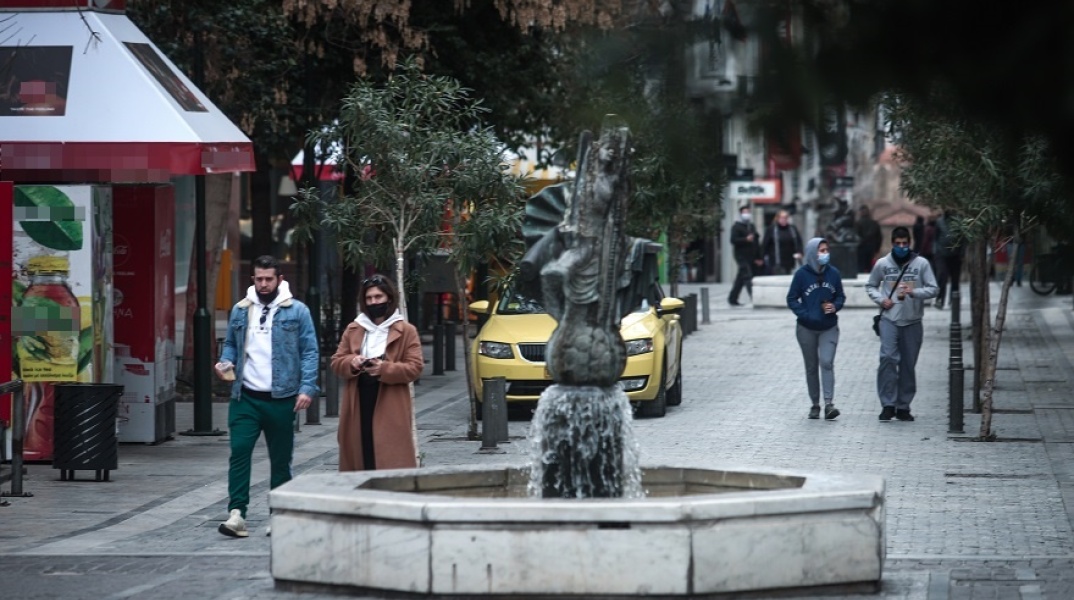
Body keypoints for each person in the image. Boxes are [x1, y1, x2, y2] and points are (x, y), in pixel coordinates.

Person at [214, 255, 319, 538]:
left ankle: (279, 514)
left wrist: (307, 388)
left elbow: (310, 351)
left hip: (282, 397)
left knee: (280, 459)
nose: (263, 284)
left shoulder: (297, 311)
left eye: (268, 279)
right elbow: (232, 348)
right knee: (239, 452)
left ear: (279, 280)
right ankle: (237, 514)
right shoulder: (240, 310)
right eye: (259, 279)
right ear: (253, 279)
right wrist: (225, 363)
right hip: (245, 396)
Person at [330, 274, 424, 471]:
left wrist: (385, 368)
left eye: (378, 297)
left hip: (390, 401)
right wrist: (352, 362)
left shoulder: (406, 330)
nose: (373, 302)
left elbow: (415, 367)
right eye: (369, 298)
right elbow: (337, 361)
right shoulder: (355, 328)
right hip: (358, 400)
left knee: (388, 455)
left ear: (389, 298)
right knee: (360, 452)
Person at [865, 227, 939, 422]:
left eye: (905, 243)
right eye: (897, 244)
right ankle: (888, 404)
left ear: (910, 242)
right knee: (888, 358)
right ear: (892, 243)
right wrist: (881, 300)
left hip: (913, 321)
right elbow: (871, 285)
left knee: (908, 364)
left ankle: (903, 405)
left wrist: (914, 293)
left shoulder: (921, 264)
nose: (901, 247)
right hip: (889, 319)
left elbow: (934, 289)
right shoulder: (882, 264)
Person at [786, 237, 846, 420]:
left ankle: (829, 404)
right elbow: (791, 298)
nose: (824, 254)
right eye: (821, 251)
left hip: (829, 326)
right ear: (812, 253)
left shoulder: (833, 273)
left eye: (827, 250)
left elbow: (840, 296)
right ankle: (815, 404)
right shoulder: (801, 275)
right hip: (807, 328)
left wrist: (835, 306)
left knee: (826, 362)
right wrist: (805, 314)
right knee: (811, 366)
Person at [728, 204, 764, 306]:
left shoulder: (751, 226)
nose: (746, 214)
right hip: (741, 256)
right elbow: (733, 240)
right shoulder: (736, 227)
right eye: (744, 212)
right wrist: (745, 239)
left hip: (751, 256)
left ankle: (732, 298)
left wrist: (759, 257)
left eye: (748, 212)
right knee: (747, 275)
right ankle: (754, 298)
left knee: (741, 278)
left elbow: (756, 242)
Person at [933, 210, 964, 309]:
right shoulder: (939, 222)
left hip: (956, 254)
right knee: (942, 276)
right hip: (942, 254)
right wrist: (935, 252)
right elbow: (935, 238)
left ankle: (954, 301)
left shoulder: (959, 222)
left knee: (955, 279)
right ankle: (939, 299)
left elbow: (963, 239)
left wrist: (962, 252)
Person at [762, 209, 804, 275]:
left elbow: (798, 241)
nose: (783, 220)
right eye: (782, 218)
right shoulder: (772, 229)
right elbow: (765, 244)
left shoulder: (792, 229)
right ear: (777, 218)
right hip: (776, 261)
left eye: (785, 218)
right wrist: (762, 257)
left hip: (790, 260)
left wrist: (800, 252)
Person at [854, 205, 882, 274]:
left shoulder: (857, 224)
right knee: (870, 268)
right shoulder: (874, 224)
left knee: (860, 268)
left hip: (860, 249)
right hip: (871, 249)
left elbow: (855, 237)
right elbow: (879, 238)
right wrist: (877, 249)